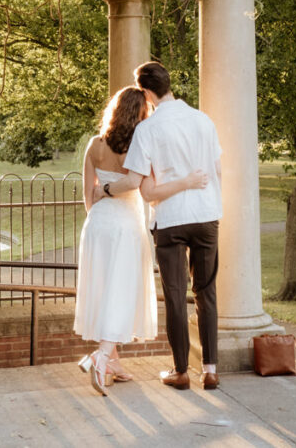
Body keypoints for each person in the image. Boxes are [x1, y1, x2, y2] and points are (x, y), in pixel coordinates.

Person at [74, 86, 208, 396]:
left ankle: (113, 363)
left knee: (104, 289)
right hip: (125, 225)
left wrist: (102, 197)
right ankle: (102, 356)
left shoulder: (94, 145)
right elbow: (143, 187)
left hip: (97, 225)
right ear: (141, 114)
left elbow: (88, 197)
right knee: (120, 291)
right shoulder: (140, 144)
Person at [101, 61, 223, 391]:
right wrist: (212, 205)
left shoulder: (148, 130)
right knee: (206, 292)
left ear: (146, 92)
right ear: (168, 84)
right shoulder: (203, 120)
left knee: (174, 295)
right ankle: (210, 370)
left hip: (170, 220)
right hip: (207, 215)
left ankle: (180, 370)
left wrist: (107, 190)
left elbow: (140, 185)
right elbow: (217, 170)